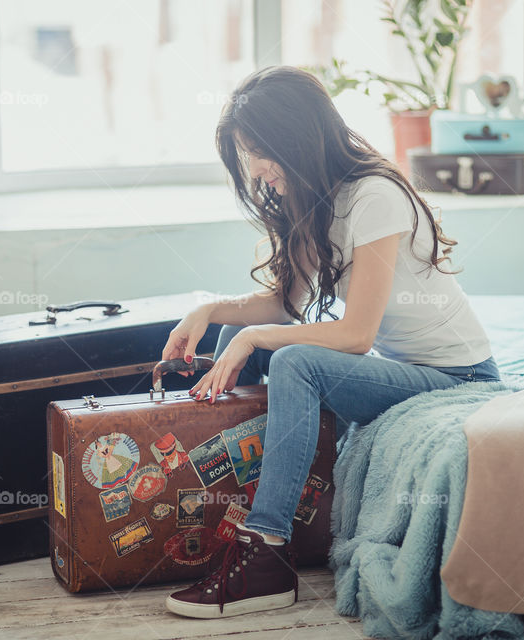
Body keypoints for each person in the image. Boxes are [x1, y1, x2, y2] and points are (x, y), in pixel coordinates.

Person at [160, 65, 501, 619]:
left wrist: (256, 338)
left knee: (294, 362)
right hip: (409, 372)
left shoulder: (375, 195)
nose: (255, 170)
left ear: (298, 138)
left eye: (259, 152)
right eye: (246, 155)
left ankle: (266, 552)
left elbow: (356, 334)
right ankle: (224, 497)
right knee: (237, 334)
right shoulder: (313, 198)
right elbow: (284, 305)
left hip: (460, 378)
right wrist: (208, 310)